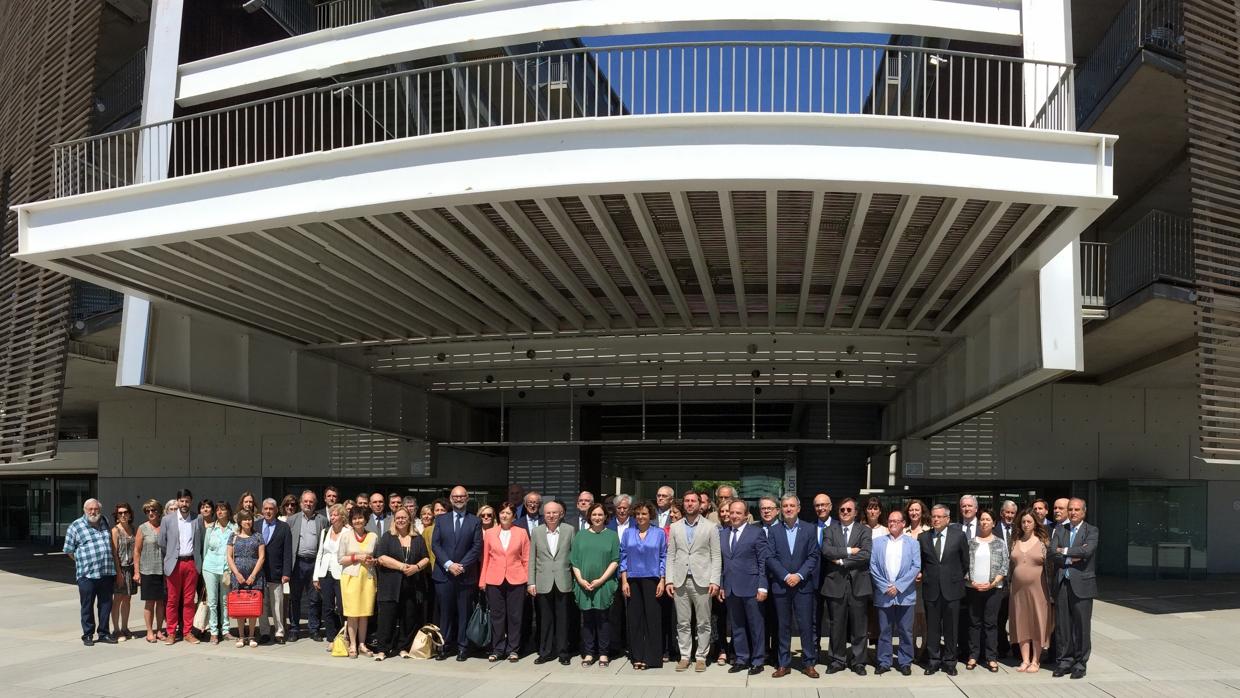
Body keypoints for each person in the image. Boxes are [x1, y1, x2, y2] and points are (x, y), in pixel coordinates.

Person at [766, 494, 819, 678]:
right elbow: (770, 557)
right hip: (781, 586)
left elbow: (813, 556)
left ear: (798, 508)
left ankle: (809, 663)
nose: (788, 509)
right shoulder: (773, 531)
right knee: (783, 626)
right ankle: (783, 664)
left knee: (806, 626)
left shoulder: (810, 529)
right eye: (785, 506)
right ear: (780, 509)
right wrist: (786, 575)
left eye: (791, 505)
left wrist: (798, 575)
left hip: (803, 586)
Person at [665, 490, 719, 673]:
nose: (689, 504)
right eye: (686, 501)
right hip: (680, 580)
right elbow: (671, 555)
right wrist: (669, 580)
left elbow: (716, 555)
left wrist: (715, 581)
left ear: (700, 503)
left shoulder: (711, 527)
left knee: (704, 622)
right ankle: (685, 656)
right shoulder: (675, 527)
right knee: (683, 622)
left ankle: (701, 656)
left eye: (693, 501)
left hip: (703, 580)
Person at [431, 485, 483, 661]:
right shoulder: (440, 520)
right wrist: (449, 564)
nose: (459, 499)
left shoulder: (474, 521)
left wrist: (461, 566)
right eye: (455, 497)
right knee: (445, 612)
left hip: (465, 575)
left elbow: (476, 547)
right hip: (444, 575)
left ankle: (463, 647)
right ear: (451, 499)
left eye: (462, 497)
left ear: (467, 498)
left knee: (464, 613)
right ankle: (444, 647)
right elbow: (435, 545)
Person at [720, 499, 769, 676]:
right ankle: (741, 658)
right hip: (731, 587)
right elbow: (722, 563)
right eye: (731, 512)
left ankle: (758, 660)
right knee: (737, 625)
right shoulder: (723, 534)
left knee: (756, 626)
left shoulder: (756, 533)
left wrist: (763, 586)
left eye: (738, 513)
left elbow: (763, 561)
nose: (734, 516)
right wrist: (722, 585)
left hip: (752, 587)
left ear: (746, 515)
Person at [918, 503, 967, 676]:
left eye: (939, 517)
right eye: (934, 516)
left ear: (948, 519)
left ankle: (950, 661)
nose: (936, 519)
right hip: (931, 588)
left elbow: (965, 562)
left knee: (951, 628)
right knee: (932, 627)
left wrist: (953, 577)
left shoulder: (959, 536)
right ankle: (933, 660)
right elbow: (922, 563)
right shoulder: (923, 538)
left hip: (952, 589)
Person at [1051, 498, 1097, 679]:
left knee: (1082, 626)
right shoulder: (1061, 529)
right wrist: (1071, 555)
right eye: (1070, 509)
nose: (1073, 513)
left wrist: (1064, 551)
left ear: (1084, 512)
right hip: (1062, 583)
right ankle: (1064, 662)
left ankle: (1080, 663)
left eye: (1077, 509)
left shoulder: (1091, 530)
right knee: (1063, 626)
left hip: (1083, 585)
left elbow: (1087, 552)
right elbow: (1051, 552)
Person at [374, 507, 429, 660]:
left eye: (404, 517)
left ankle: (403, 647)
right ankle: (383, 649)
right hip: (390, 585)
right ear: (394, 520)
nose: (401, 520)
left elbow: (425, 558)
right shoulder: (387, 537)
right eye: (398, 518)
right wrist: (401, 566)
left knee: (408, 618)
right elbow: (381, 558)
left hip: (411, 585)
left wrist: (416, 567)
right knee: (387, 618)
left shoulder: (417, 538)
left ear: (409, 519)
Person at [871, 510, 920, 675]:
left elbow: (916, 567)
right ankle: (884, 661)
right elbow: (874, 567)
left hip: (905, 595)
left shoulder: (913, 543)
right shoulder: (877, 542)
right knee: (884, 630)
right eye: (890, 521)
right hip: (884, 594)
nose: (892, 523)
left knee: (905, 631)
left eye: (896, 521)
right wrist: (886, 587)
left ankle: (905, 661)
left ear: (903, 523)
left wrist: (898, 586)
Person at [619, 501, 667, 670]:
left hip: (652, 579)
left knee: (652, 619)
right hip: (632, 579)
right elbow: (623, 557)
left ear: (650, 515)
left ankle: (652, 657)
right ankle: (637, 656)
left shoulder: (659, 533)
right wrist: (624, 581)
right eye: (638, 514)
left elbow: (663, 556)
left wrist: (662, 579)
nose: (640, 517)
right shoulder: (627, 533)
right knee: (635, 619)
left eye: (644, 514)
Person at [479, 502, 530, 662]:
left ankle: (513, 649)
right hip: (494, 579)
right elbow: (485, 558)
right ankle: (498, 648)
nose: (504, 515)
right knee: (497, 616)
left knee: (515, 616)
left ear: (514, 516)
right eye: (502, 512)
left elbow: (527, 559)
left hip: (517, 579)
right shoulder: (490, 533)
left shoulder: (522, 533)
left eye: (508, 513)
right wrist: (482, 580)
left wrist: (529, 581)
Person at [571, 502, 620, 667]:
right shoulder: (580, 535)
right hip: (583, 585)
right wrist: (580, 580)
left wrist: (601, 580)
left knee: (603, 619)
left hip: (603, 584)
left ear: (606, 516)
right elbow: (574, 561)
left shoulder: (612, 535)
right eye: (594, 515)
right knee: (587, 620)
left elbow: (615, 560)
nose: (597, 518)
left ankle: (604, 654)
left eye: (600, 515)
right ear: (589, 516)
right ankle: (589, 653)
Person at [528, 500, 576, 665]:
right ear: (544, 514)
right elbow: (532, 559)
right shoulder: (536, 532)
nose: (551, 515)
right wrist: (531, 582)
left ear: (561, 514)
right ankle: (545, 652)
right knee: (545, 620)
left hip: (564, 580)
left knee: (563, 620)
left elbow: (574, 556)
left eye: (555, 512)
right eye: (548, 512)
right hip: (543, 581)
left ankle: (563, 652)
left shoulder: (569, 530)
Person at [65, 499, 116, 646]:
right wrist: (82, 561)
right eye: (90, 509)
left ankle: (104, 633)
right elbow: (69, 550)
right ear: (84, 510)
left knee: (106, 604)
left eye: (96, 509)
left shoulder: (105, 521)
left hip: (106, 572)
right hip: (87, 575)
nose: (93, 512)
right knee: (87, 605)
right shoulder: (75, 526)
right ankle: (87, 634)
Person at [1009, 508, 1053, 673]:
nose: (1026, 524)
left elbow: (1050, 567)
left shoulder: (1043, 542)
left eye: (1029, 521)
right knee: (1021, 623)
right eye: (1023, 522)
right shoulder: (1015, 541)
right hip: (1018, 591)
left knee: (1037, 622)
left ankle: (1036, 660)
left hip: (1039, 590)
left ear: (1035, 523)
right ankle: (1025, 659)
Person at [965, 510, 1008, 672]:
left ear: (993, 523)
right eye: (982, 519)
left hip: (993, 589)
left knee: (991, 624)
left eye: (987, 519)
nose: (984, 522)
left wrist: (992, 583)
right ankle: (973, 656)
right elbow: (964, 564)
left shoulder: (1000, 543)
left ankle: (991, 657)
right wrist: (972, 581)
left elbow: (1005, 566)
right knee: (974, 623)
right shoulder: (970, 542)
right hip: (973, 588)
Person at [157, 489, 202, 645]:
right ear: (177, 502)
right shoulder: (167, 520)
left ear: (191, 502)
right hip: (174, 564)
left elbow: (200, 542)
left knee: (189, 600)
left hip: (191, 563)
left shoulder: (198, 519)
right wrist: (170, 557)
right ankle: (171, 632)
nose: (184, 504)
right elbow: (162, 543)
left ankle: (187, 632)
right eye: (182, 501)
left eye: (187, 501)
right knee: (172, 600)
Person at [338, 506, 378, 658]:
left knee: (364, 613)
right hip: (351, 578)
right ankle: (353, 644)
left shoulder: (373, 536)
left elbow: (376, 557)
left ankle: (362, 644)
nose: (358, 521)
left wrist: (373, 561)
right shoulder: (346, 536)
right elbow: (340, 559)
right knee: (352, 613)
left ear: (366, 519)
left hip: (367, 578)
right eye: (354, 518)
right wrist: (357, 558)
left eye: (360, 518)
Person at [288, 490, 327, 641]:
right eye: (306, 501)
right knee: (295, 598)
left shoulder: (322, 520)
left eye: (311, 501)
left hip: (314, 564)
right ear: (301, 503)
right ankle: (294, 628)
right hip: (297, 563)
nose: (308, 504)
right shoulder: (293, 520)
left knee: (314, 598)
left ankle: (314, 629)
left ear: (315, 503)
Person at [227, 510, 266, 648]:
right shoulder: (233, 536)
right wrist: (237, 573)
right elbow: (229, 557)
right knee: (240, 606)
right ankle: (241, 636)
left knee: (252, 606)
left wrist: (253, 575)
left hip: (254, 576)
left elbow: (261, 557)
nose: (247, 522)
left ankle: (251, 635)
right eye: (245, 519)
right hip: (238, 576)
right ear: (240, 522)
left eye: (249, 519)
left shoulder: (258, 536)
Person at [314, 503, 348, 651]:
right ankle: (331, 638)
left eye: (335, 515)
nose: (332, 517)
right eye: (331, 515)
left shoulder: (348, 532)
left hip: (341, 573)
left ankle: (345, 636)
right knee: (327, 607)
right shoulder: (325, 531)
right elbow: (320, 554)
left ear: (342, 517)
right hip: (325, 573)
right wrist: (316, 576)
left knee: (342, 607)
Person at [201, 501, 236, 644]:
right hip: (210, 567)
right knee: (213, 601)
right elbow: (205, 550)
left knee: (225, 601)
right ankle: (214, 632)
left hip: (226, 569)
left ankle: (226, 630)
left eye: (223, 509)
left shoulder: (234, 529)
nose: (220, 512)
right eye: (218, 510)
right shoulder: (211, 528)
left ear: (228, 511)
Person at [132, 499, 166, 643]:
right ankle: (149, 631)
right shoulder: (142, 528)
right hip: (148, 570)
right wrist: (137, 571)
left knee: (161, 602)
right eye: (148, 511)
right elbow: (137, 551)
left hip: (164, 570)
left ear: (159, 511)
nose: (151, 513)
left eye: (153, 510)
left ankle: (159, 630)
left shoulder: (165, 525)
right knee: (150, 602)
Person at [606, 493, 633, 659]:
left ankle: (631, 644)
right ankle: (615, 646)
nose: (622, 511)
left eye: (625, 508)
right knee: (614, 613)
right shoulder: (607, 525)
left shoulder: (638, 525)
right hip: (611, 575)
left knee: (632, 612)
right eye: (619, 508)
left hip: (633, 575)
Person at [810, 492, 833, 663]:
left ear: (830, 506)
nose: (821, 508)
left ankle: (835, 655)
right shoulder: (809, 528)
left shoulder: (840, 526)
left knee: (835, 620)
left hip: (835, 581)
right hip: (813, 582)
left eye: (823, 504)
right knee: (813, 619)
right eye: (817, 505)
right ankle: (814, 651)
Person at [110, 502, 136, 641]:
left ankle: (125, 627)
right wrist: (118, 572)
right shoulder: (115, 530)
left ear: (130, 514)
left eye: (125, 512)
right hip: (120, 568)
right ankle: (116, 629)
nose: (123, 515)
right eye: (120, 513)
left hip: (131, 568)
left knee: (128, 599)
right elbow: (114, 553)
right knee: (118, 599)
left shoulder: (132, 529)